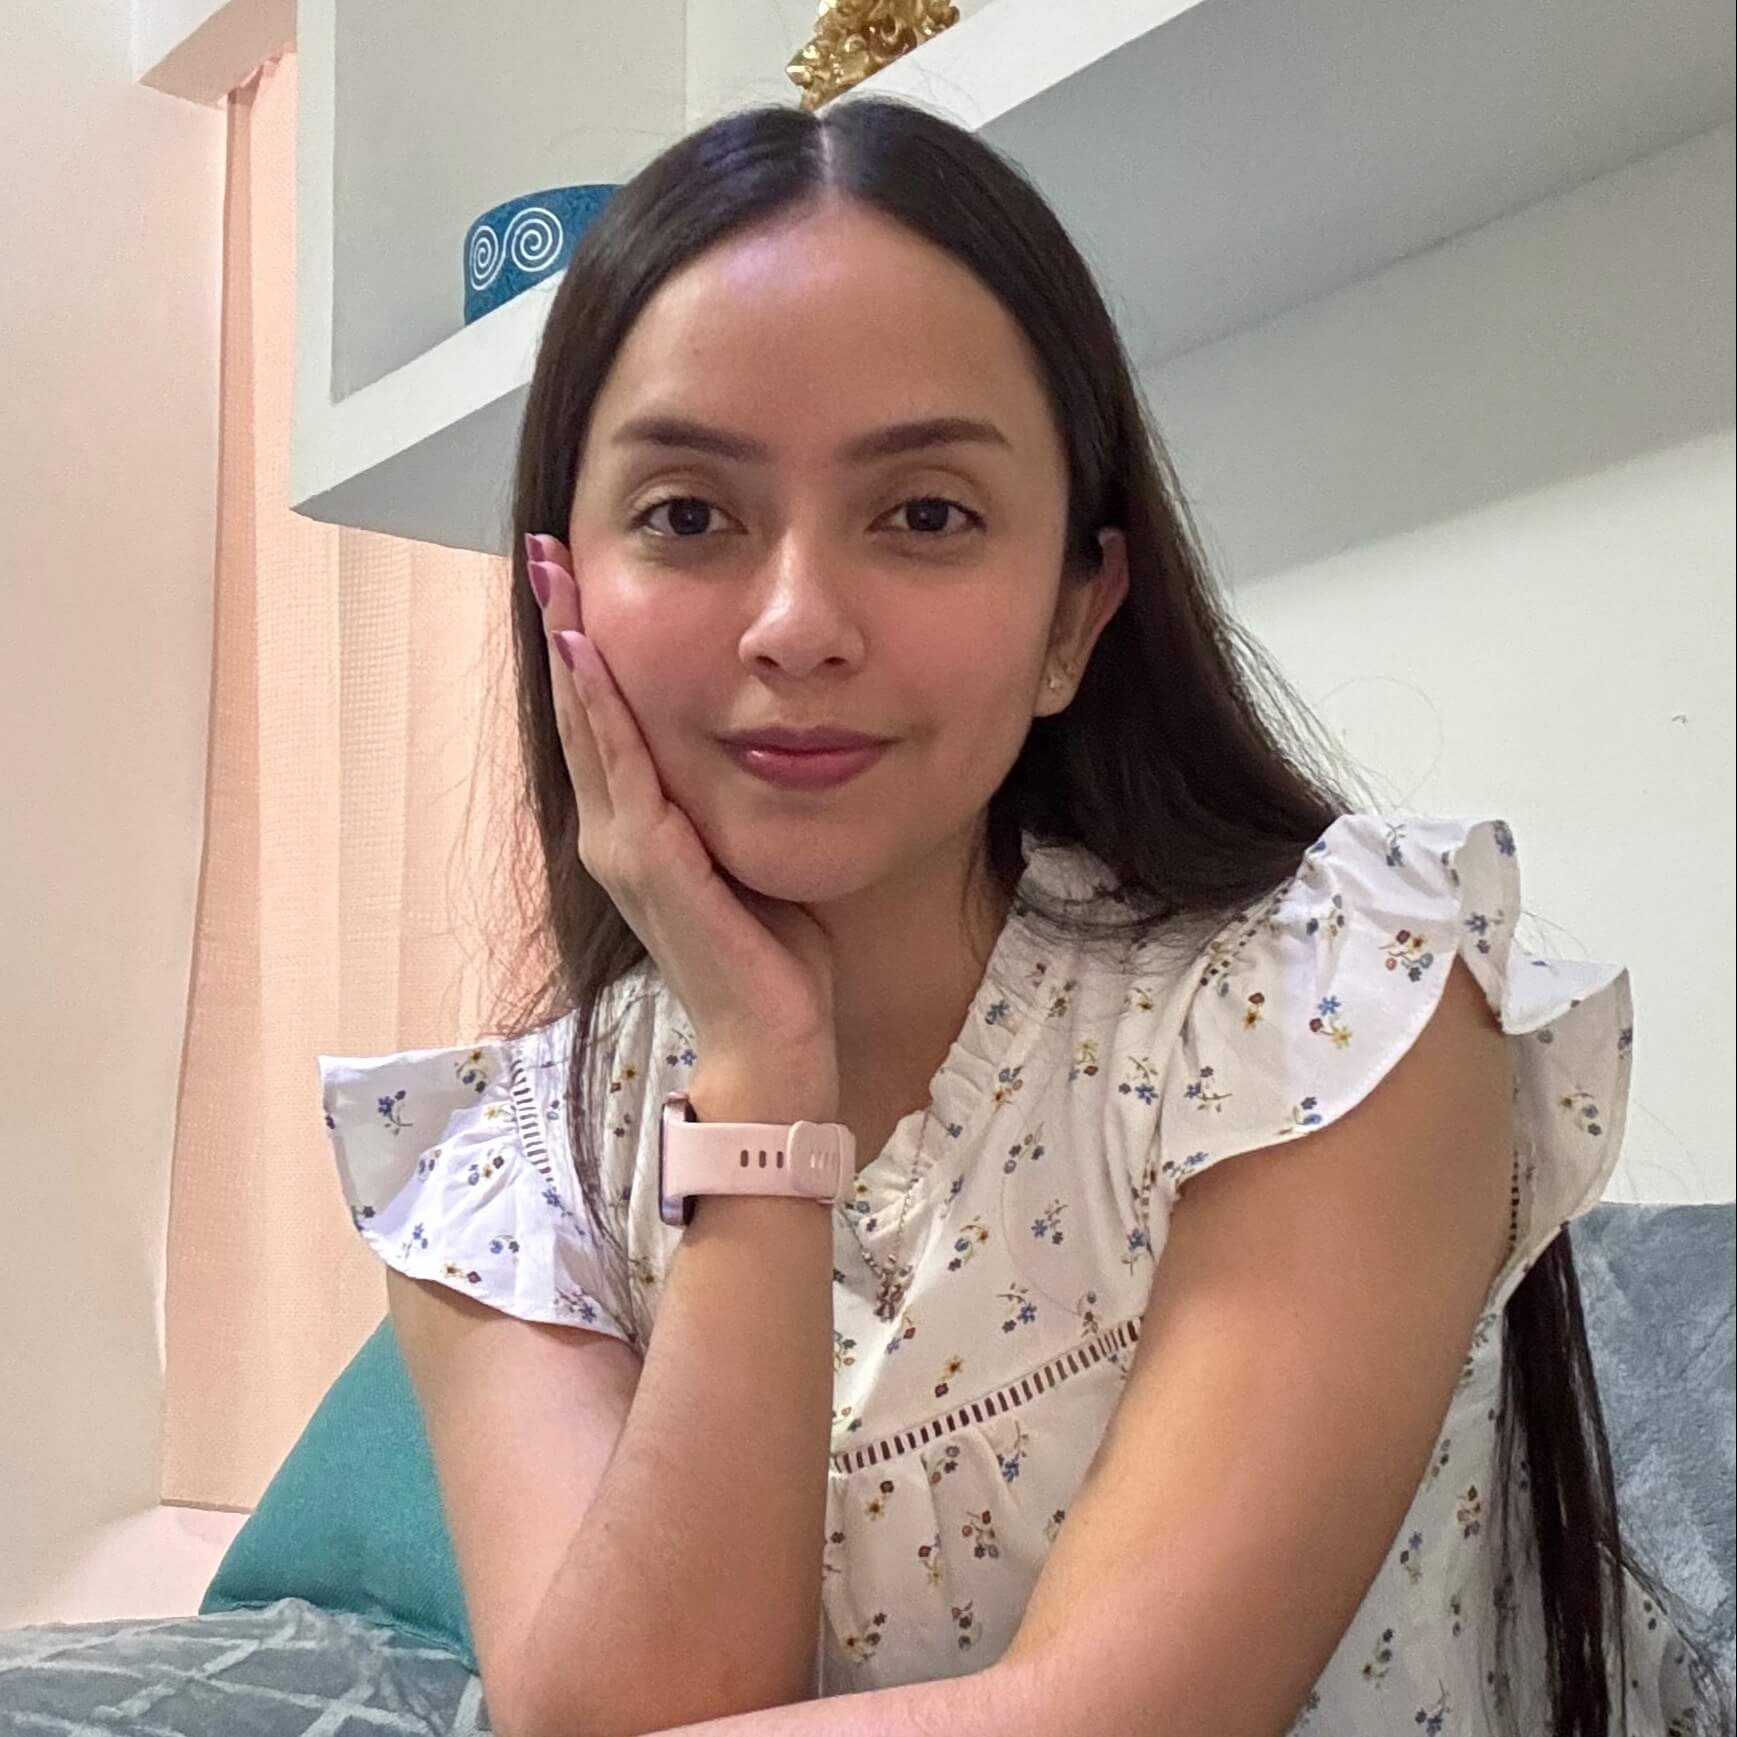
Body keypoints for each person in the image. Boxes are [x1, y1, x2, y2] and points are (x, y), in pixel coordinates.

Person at [317, 96, 1729, 1737]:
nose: (798, 623)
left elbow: (1114, 1717)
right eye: (689, 515)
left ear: (1076, 614)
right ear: (558, 589)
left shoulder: (1336, 1007)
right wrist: (760, 1075)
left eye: (925, 513)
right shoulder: (506, 1170)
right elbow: (618, 1713)